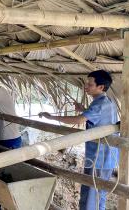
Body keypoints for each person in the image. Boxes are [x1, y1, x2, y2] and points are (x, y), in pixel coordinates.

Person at [39, 70, 119, 210]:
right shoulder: (107, 101)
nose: (86, 86)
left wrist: (51, 117)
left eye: (90, 84)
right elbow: (95, 117)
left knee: (90, 198)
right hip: (106, 158)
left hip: (98, 159)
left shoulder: (99, 104)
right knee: (99, 197)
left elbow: (79, 119)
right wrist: (83, 109)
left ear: (101, 87)